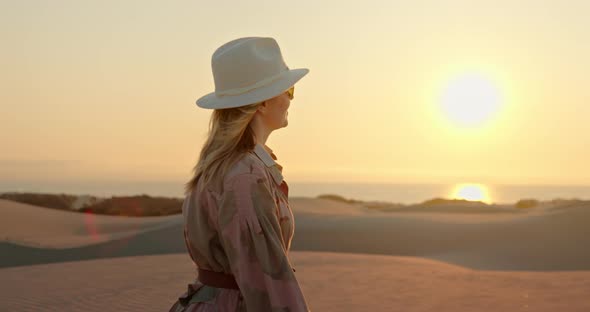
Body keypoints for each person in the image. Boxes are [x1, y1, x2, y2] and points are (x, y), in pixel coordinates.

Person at [168, 37, 310, 312]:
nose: (290, 100)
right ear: (262, 103)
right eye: (288, 91)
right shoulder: (246, 176)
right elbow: (266, 281)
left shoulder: (222, 165)